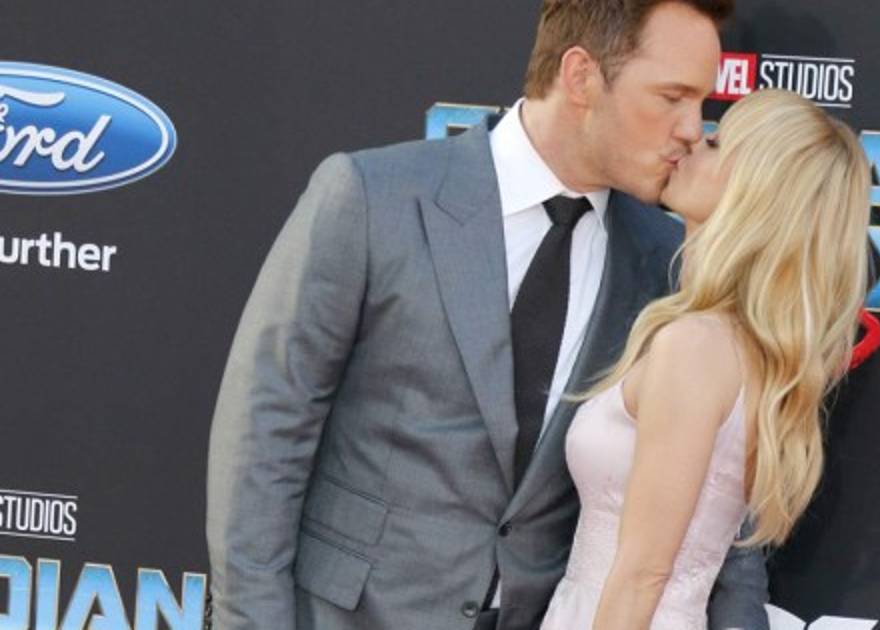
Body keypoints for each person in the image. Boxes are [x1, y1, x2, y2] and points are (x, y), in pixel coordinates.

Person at [205, 1, 770, 629]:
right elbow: (265, 436)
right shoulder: (374, 198)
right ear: (581, 76)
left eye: (701, 102)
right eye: (672, 97)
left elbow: (719, 517)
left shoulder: (665, 261)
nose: (693, 129)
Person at [539, 88, 873, 629]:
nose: (692, 140)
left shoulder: (696, 346)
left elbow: (644, 573)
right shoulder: (737, 344)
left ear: (755, 191)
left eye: (716, 144)